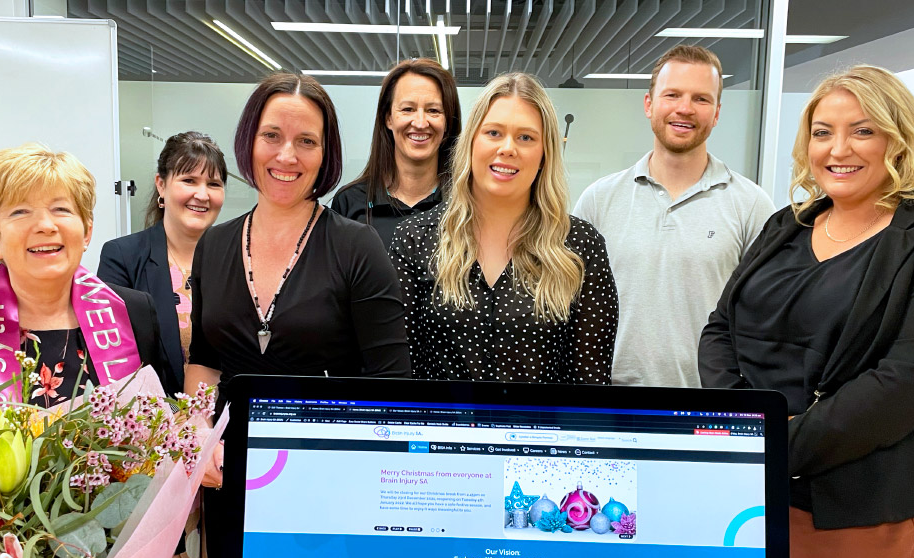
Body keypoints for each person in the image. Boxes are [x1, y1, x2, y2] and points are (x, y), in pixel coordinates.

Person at [698, 65, 914, 558]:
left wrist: (769, 444)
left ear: (899, 139)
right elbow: (721, 328)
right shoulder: (786, 225)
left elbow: (908, 381)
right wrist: (746, 428)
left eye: (863, 130)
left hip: (861, 502)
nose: (839, 148)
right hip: (750, 488)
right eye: (822, 132)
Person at [186, 72, 410, 558]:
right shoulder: (214, 247)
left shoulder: (358, 248)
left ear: (325, 153)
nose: (287, 155)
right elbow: (205, 359)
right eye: (272, 136)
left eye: (306, 141)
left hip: (332, 490)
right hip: (235, 482)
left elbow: (392, 383)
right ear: (248, 140)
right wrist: (194, 438)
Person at [391, 72, 618, 384]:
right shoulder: (415, 239)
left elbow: (591, 384)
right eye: (494, 133)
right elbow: (401, 376)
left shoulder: (580, 246)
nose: (508, 148)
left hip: (544, 433)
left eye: (526, 137)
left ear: (544, 154)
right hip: (442, 431)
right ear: (471, 142)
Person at [0, 143, 172, 406]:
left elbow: (158, 425)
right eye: (20, 211)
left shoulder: (134, 312)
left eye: (61, 209)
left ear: (87, 232)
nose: (45, 225)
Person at [572, 44, 774, 387]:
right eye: (672, 94)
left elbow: (767, 320)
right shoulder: (598, 201)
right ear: (649, 104)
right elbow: (569, 311)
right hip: (611, 407)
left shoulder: (752, 206)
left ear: (717, 112)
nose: (685, 109)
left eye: (701, 99)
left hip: (710, 409)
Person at [98, 131, 227, 394]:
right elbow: (113, 359)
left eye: (213, 184)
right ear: (161, 184)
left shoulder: (237, 258)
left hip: (226, 419)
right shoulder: (122, 256)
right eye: (189, 180)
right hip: (151, 424)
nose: (202, 195)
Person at [331, 58, 461, 248]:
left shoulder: (465, 203)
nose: (420, 123)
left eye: (433, 110)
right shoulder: (350, 203)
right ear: (388, 118)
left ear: (448, 121)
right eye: (408, 109)